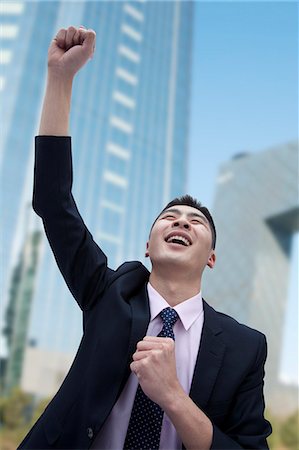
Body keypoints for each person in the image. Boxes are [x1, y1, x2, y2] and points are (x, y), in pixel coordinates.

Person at [18, 26, 271, 450]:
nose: (182, 222)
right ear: (147, 247)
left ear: (211, 257)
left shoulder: (245, 347)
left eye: (196, 221)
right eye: (170, 217)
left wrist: (173, 397)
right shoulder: (108, 293)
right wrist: (60, 80)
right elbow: (53, 200)